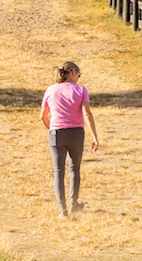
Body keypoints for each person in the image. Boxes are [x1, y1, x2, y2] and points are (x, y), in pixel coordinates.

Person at [41, 61, 100, 220]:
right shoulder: (81, 90)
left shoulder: (51, 90)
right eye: (79, 74)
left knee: (58, 172)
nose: (79, 77)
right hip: (76, 133)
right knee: (75, 169)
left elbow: (43, 116)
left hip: (57, 133)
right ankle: (74, 204)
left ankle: (62, 210)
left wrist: (52, 128)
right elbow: (87, 114)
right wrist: (94, 136)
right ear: (73, 72)